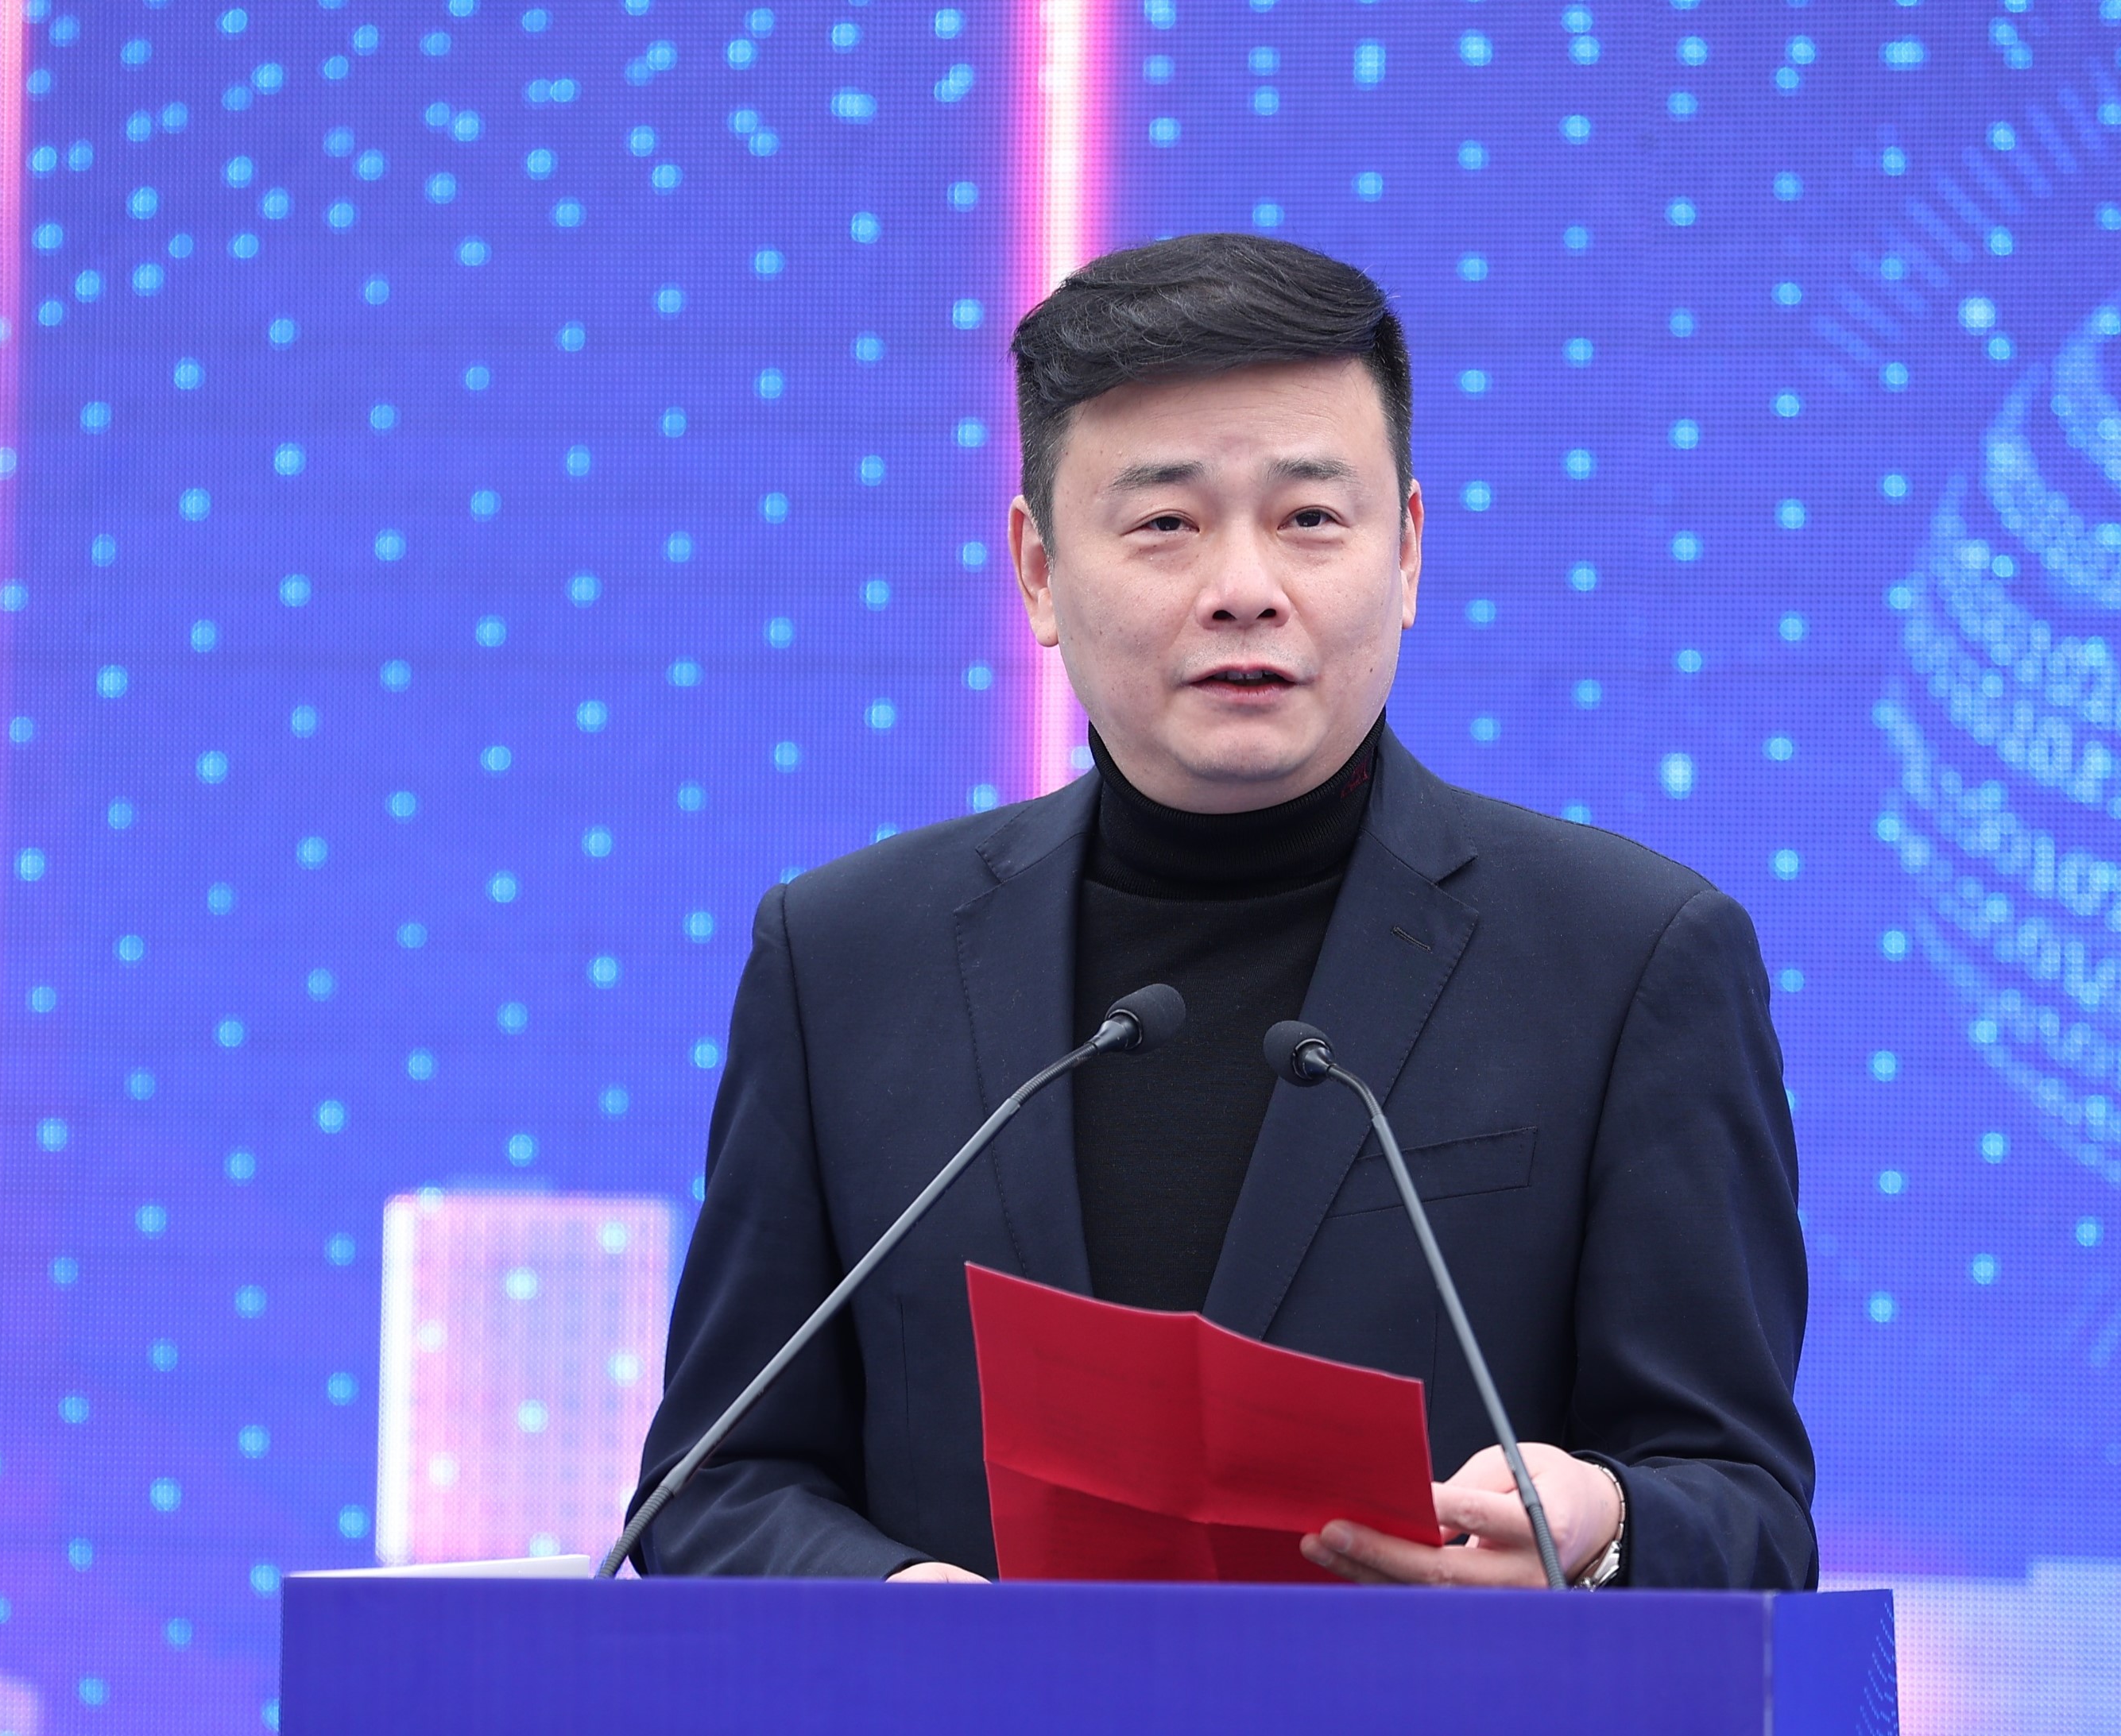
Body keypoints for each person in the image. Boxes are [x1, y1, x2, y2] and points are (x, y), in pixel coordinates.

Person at [629, 234, 1815, 1590]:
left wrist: (1602, 1528)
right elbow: (714, 1484)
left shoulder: (1628, 958)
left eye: (1308, 518)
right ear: (1037, 570)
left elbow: (1745, 1508)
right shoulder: (842, 960)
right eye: (1165, 523)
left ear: (1407, 553)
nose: (1244, 586)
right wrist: (898, 1615)